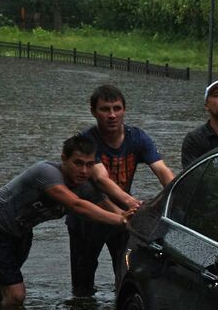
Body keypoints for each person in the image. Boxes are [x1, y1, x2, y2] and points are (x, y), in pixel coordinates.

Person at [0, 136, 135, 307]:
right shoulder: (47, 173)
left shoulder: (85, 186)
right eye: (78, 163)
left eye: (89, 164)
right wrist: (121, 220)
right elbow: (76, 205)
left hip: (21, 232)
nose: (84, 171)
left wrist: (131, 218)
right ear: (64, 159)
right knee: (15, 295)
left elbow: (110, 207)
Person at [69, 84, 175, 295]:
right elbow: (100, 179)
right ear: (93, 112)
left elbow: (161, 170)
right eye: (105, 109)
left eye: (117, 108)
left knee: (125, 269)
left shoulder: (137, 137)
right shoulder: (87, 140)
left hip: (123, 216)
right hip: (89, 216)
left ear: (124, 110)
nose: (111, 115)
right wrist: (134, 204)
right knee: (83, 280)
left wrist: (178, 194)